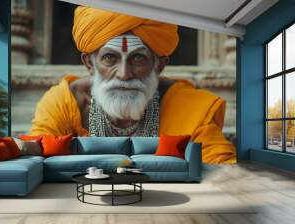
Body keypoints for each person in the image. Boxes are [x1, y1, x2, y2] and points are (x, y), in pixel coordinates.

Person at [29, 6, 236, 164]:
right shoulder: (65, 102)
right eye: (110, 57)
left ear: (159, 65)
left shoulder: (191, 108)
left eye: (138, 58)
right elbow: (35, 151)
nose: (124, 74)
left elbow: (222, 171)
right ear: (90, 63)